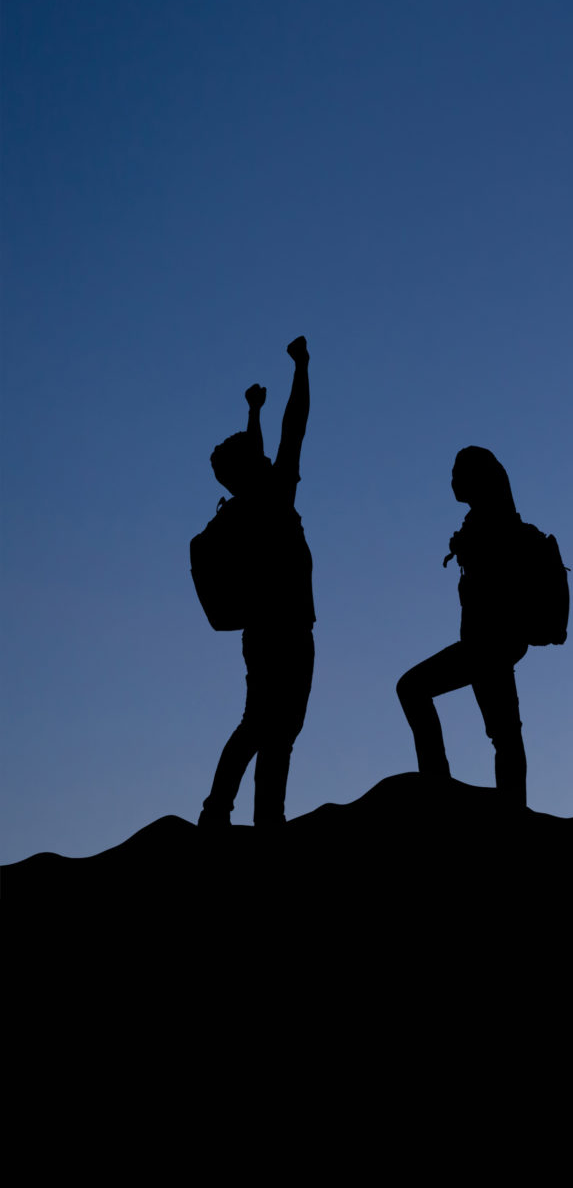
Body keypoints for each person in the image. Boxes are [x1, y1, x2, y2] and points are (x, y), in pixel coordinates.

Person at [201, 336, 315, 829]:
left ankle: (228, 812)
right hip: (287, 630)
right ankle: (258, 816)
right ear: (251, 469)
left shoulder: (245, 508)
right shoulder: (273, 498)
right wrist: (301, 368)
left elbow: (263, 448)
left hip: (263, 632)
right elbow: (297, 424)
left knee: (262, 724)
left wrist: (252, 411)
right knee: (274, 728)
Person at [396, 447, 542, 808]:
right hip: (491, 642)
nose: (452, 481)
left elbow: (495, 584)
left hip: (489, 643)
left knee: (413, 689)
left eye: (458, 473)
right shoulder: (484, 521)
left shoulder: (493, 525)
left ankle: (438, 784)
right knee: (504, 730)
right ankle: (510, 802)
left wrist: (468, 547)